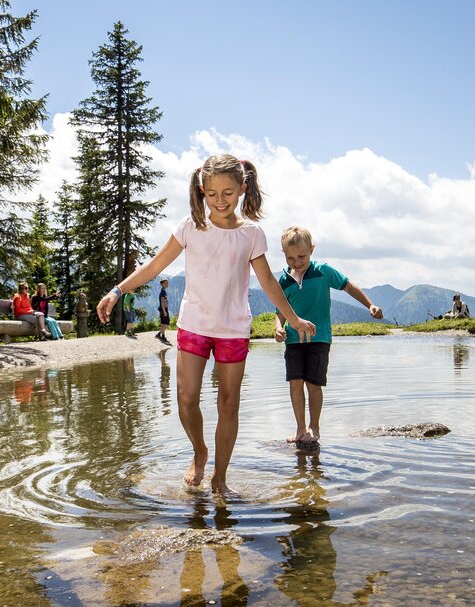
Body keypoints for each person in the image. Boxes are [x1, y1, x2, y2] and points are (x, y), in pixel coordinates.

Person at [95, 154, 316, 496]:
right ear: (201, 190)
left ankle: (220, 477)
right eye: (212, 193)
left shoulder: (251, 234)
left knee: (229, 403)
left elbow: (269, 281)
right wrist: (117, 290)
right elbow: (155, 266)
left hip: (233, 330)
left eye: (228, 192)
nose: (220, 200)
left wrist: (292, 318)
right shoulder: (189, 227)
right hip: (194, 326)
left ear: (243, 189)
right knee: (186, 399)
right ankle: (199, 451)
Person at [274, 226, 382, 451]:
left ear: (311, 250)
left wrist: (369, 304)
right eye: (291, 257)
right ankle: (300, 429)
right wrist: (278, 328)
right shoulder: (283, 280)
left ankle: (314, 427)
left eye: (302, 256)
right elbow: (280, 311)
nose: (297, 261)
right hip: (293, 340)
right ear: (283, 254)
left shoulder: (323, 271)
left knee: (314, 383)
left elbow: (348, 286)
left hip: (319, 338)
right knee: (295, 383)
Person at [156, 278, 171, 343]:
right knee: (167, 323)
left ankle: (163, 335)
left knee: (163, 323)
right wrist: (164, 311)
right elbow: (162, 302)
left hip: (162, 309)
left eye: (167, 283)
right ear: (162, 284)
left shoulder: (163, 290)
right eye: (165, 283)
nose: (167, 284)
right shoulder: (163, 292)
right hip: (163, 309)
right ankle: (159, 334)